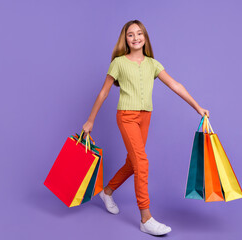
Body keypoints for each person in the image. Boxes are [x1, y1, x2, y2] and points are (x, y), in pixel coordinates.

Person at [82, 20, 210, 236]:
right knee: (142, 162)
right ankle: (146, 218)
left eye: (139, 34)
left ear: (145, 38)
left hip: (145, 118)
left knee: (133, 162)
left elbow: (175, 85)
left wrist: (197, 107)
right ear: (125, 39)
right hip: (126, 116)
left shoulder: (153, 64)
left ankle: (107, 191)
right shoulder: (119, 63)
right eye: (130, 35)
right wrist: (90, 120)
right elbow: (103, 92)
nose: (135, 38)